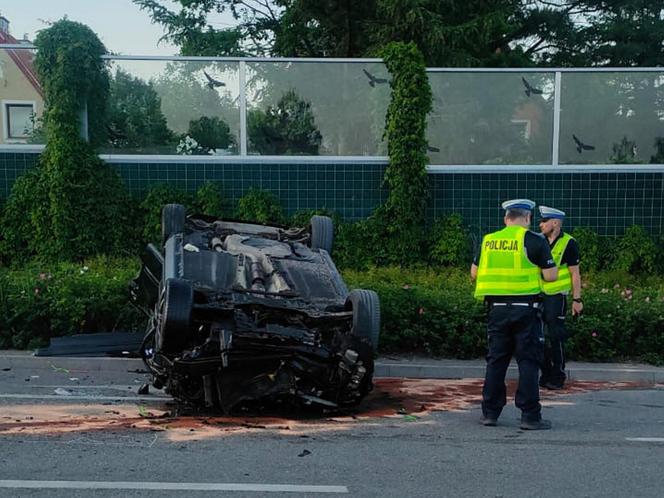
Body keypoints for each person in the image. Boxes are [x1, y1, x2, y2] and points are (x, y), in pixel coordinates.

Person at [471, 199, 557, 430]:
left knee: (496, 361)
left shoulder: (489, 241)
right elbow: (551, 277)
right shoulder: (534, 240)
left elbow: (474, 273)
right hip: (525, 311)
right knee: (528, 362)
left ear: (506, 218)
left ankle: (490, 413)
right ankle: (530, 416)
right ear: (527, 218)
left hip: (496, 311)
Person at [538, 206, 583, 390]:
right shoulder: (538, 240)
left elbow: (575, 274)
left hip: (557, 298)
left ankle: (558, 375)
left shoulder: (569, 243)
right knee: (537, 337)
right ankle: (545, 372)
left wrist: (577, 299)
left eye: (544, 221)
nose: (540, 225)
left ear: (555, 223)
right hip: (538, 296)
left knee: (556, 337)